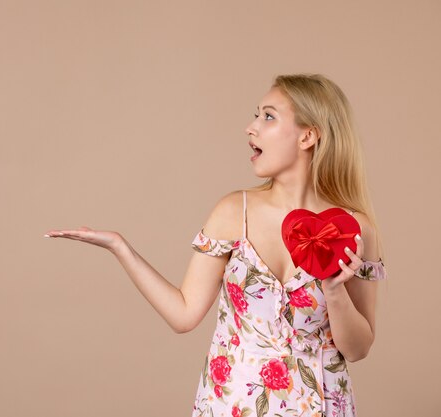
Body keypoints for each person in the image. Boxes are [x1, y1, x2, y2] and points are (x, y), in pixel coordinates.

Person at [43, 73, 388, 417]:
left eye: (268, 116)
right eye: (257, 115)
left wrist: (334, 291)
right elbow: (183, 314)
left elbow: (358, 349)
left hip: (322, 406)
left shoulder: (353, 229)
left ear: (307, 136)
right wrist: (120, 247)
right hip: (233, 404)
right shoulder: (232, 213)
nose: (251, 127)